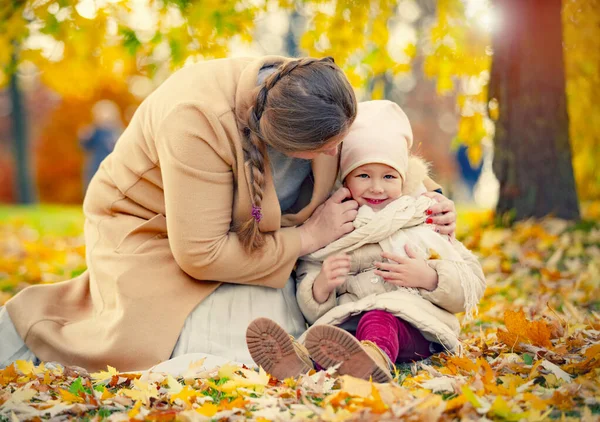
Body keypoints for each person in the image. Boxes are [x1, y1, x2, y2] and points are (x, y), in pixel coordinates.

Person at [0, 57, 457, 372]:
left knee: (284, 314)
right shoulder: (194, 120)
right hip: (154, 233)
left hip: (257, 238)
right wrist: (307, 239)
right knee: (217, 338)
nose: (339, 155)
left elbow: (376, 148)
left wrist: (429, 197)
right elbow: (200, 254)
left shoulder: (313, 90)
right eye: (326, 150)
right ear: (285, 145)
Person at [246, 101, 486, 382]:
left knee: (379, 320)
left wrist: (429, 277)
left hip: (414, 324)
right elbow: (310, 278)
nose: (376, 187)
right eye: (363, 175)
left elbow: (471, 282)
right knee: (332, 339)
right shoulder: (337, 223)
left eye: (388, 176)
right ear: (346, 180)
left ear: (403, 178)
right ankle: (302, 364)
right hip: (350, 318)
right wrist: (322, 286)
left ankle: (373, 359)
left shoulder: (421, 216)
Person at [79, 100, 123, 190]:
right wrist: (84, 137)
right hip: (96, 164)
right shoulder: (94, 130)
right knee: (94, 186)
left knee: (112, 187)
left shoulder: (118, 131)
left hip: (113, 165)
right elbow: (85, 146)